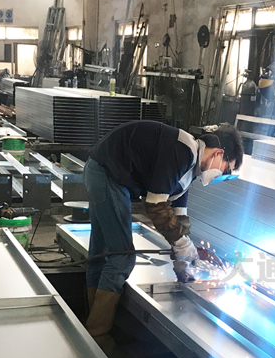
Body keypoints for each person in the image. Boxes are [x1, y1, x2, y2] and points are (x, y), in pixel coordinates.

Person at [83, 121, 244, 340]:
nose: (220, 175)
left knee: (101, 252)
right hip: (107, 176)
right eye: (225, 170)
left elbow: (178, 219)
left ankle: (91, 320)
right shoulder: (182, 150)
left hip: (101, 172)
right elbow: (155, 205)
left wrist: (183, 265)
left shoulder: (190, 170)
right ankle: (97, 335)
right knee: (122, 257)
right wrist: (183, 245)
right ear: (218, 153)